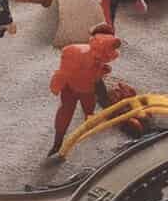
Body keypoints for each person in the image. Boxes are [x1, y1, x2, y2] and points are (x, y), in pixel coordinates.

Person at [48, 24, 120, 156]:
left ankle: (88, 124)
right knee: (65, 112)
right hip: (70, 87)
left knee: (89, 107)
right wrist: (56, 85)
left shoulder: (98, 56)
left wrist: (100, 71)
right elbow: (63, 73)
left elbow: (98, 67)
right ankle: (57, 142)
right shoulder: (75, 53)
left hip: (88, 87)